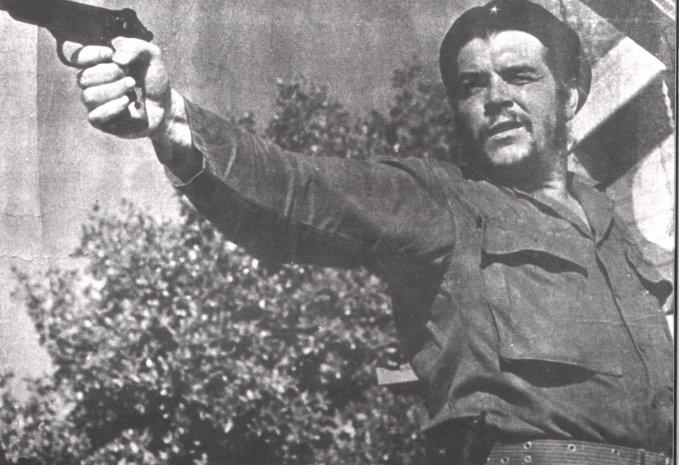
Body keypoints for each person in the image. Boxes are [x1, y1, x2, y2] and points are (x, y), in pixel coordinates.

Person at [72, 0, 673, 463]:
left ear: (570, 97)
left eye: (520, 76)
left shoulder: (623, 238)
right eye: (471, 86)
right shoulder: (441, 201)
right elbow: (296, 191)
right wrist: (174, 125)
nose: (496, 98)